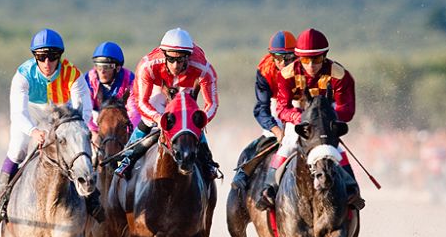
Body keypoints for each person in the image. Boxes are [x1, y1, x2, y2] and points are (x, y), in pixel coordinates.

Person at [0, 29, 94, 222]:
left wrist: (76, 129)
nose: (47, 63)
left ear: (59, 57)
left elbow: (85, 110)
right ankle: (1, 201)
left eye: (52, 57)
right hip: (31, 111)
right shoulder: (23, 74)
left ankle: (92, 200)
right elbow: (18, 113)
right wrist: (33, 131)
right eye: (41, 57)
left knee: (79, 147)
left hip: (61, 112)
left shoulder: (73, 73)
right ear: (35, 56)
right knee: (17, 149)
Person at [256, 28, 363, 211]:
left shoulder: (340, 75)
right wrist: (300, 117)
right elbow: (282, 108)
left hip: (326, 115)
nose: (311, 65)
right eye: (305, 60)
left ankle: (352, 188)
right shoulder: (286, 74)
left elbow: (347, 109)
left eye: (317, 59)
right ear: (299, 57)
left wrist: (326, 118)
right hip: (299, 115)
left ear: (325, 56)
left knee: (334, 148)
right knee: (289, 143)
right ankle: (269, 188)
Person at [114, 27, 220, 180]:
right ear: (164, 54)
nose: (175, 65)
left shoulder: (204, 68)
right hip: (160, 86)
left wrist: (199, 121)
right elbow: (142, 102)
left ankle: (208, 161)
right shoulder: (147, 65)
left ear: (188, 57)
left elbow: (212, 104)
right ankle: (127, 158)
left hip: (185, 88)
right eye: (171, 59)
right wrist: (159, 119)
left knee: (190, 120)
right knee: (148, 119)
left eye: (181, 59)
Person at [231, 30, 296, 190]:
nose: (283, 63)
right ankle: (242, 174)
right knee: (268, 137)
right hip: (276, 102)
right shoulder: (265, 70)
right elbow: (261, 108)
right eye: (278, 58)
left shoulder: (304, 66)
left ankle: (349, 183)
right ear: (272, 56)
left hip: (297, 102)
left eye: (288, 57)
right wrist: (277, 131)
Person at [84, 41, 140, 138]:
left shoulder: (130, 81)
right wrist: (94, 132)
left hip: (121, 120)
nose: (102, 71)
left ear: (117, 68)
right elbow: (86, 111)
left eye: (107, 67)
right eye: (99, 66)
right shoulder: (88, 80)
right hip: (95, 118)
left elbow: (134, 113)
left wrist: (127, 133)